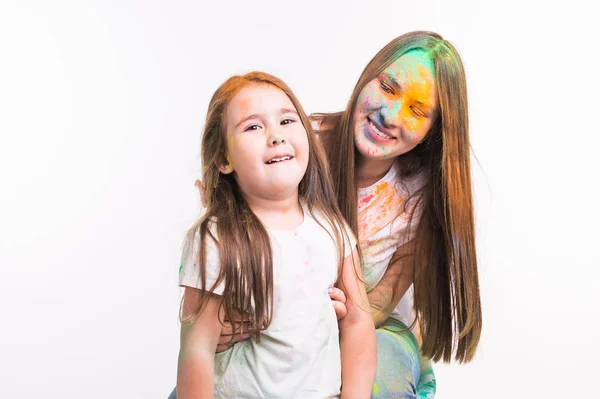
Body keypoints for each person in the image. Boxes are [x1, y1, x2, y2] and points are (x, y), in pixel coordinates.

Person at [197, 31, 482, 398]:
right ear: (369, 75)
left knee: (382, 384)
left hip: (374, 325)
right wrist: (223, 321)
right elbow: (229, 237)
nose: (389, 115)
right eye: (389, 87)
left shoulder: (424, 193)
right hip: (272, 318)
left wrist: (319, 317)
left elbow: (378, 303)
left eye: (417, 110)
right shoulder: (298, 143)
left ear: (435, 129)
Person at [172, 71, 376, 399]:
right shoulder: (216, 239)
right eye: (253, 126)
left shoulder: (331, 230)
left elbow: (357, 324)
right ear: (224, 158)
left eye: (286, 121)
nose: (276, 136)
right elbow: (197, 348)